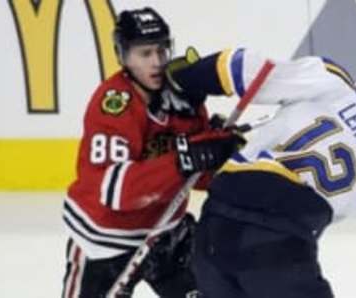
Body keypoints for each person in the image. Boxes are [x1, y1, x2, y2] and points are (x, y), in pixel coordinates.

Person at [165, 48, 356, 297]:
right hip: (278, 246)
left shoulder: (333, 81)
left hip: (215, 224)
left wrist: (186, 78)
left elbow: (242, 68)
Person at [61, 8, 244, 298]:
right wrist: (184, 159)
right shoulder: (114, 104)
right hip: (106, 241)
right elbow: (115, 191)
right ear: (123, 56)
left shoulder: (182, 97)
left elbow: (196, 177)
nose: (157, 62)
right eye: (144, 54)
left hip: (168, 233)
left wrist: (216, 150)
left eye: (161, 50)